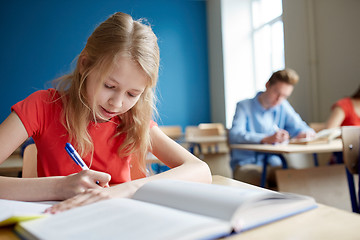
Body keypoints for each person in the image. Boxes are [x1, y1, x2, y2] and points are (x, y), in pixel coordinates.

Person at [0, 12, 211, 212]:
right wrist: (58, 187)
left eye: (132, 94)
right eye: (109, 86)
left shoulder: (132, 120)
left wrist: (127, 189)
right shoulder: (42, 107)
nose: (117, 103)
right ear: (85, 65)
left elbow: (201, 170)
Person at [228, 69, 315, 186]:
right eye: (277, 93)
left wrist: (306, 133)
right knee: (258, 184)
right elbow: (234, 135)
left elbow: (301, 126)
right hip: (247, 164)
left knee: (297, 179)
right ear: (267, 85)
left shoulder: (283, 106)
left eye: (285, 96)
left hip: (274, 163)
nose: (279, 99)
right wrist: (265, 138)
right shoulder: (244, 106)